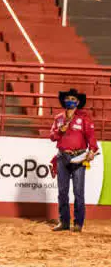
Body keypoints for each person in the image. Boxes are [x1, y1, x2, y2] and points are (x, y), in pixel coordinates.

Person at [50, 88, 98, 233]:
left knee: (78, 191)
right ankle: (64, 222)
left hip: (79, 158)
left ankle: (78, 223)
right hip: (62, 156)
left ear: (78, 102)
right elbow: (52, 136)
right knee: (62, 191)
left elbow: (91, 137)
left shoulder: (84, 118)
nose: (70, 101)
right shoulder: (58, 118)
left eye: (73, 99)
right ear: (64, 100)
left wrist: (92, 150)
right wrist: (60, 131)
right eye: (68, 98)